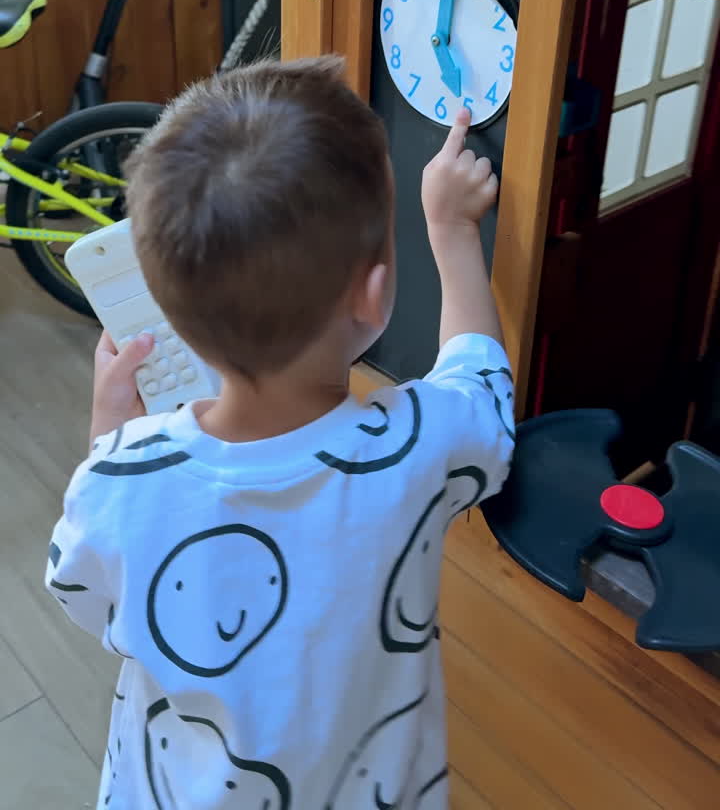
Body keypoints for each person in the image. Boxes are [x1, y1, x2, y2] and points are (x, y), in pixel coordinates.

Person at [46, 56, 515, 810]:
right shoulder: (417, 447)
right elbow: (482, 388)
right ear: (370, 292)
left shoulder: (118, 477)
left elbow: (90, 599)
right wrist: (452, 232)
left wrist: (110, 435)